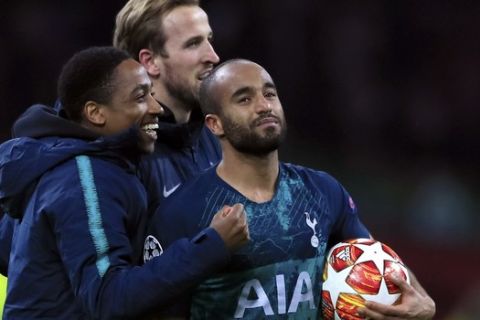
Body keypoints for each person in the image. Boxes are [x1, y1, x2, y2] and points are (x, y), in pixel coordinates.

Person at [144, 59, 436, 319]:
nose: (264, 105)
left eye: (269, 94)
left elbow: (378, 261)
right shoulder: (181, 212)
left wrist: (423, 301)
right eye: (244, 99)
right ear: (215, 124)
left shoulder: (323, 190)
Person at [0, 47, 249, 319]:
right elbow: (109, 298)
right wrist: (211, 246)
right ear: (95, 113)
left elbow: (8, 251)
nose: (157, 108)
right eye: (141, 97)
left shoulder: (70, 164)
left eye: (152, 94)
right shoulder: (84, 177)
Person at [113, 0, 222, 212]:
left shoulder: (219, 135)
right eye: (193, 43)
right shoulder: (122, 155)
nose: (213, 57)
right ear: (151, 62)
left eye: (209, 40)